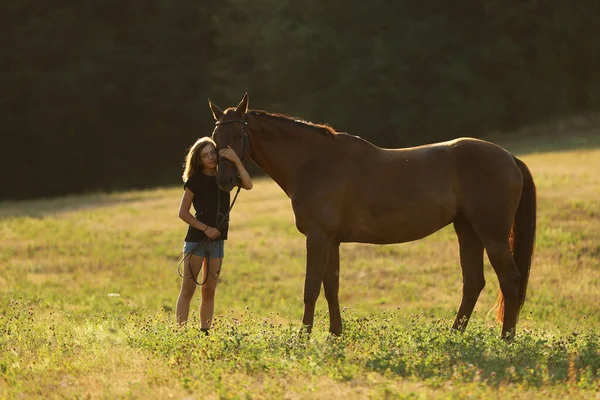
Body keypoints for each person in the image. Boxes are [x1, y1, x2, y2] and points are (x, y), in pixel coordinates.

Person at [176, 136, 253, 334]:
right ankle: (179, 333)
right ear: (198, 160)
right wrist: (205, 229)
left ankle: (204, 332)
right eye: (205, 155)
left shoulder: (224, 177)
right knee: (188, 290)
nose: (210, 157)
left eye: (212, 152)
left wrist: (236, 160)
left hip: (218, 240)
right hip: (197, 240)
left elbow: (248, 184)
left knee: (209, 290)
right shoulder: (195, 181)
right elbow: (183, 213)